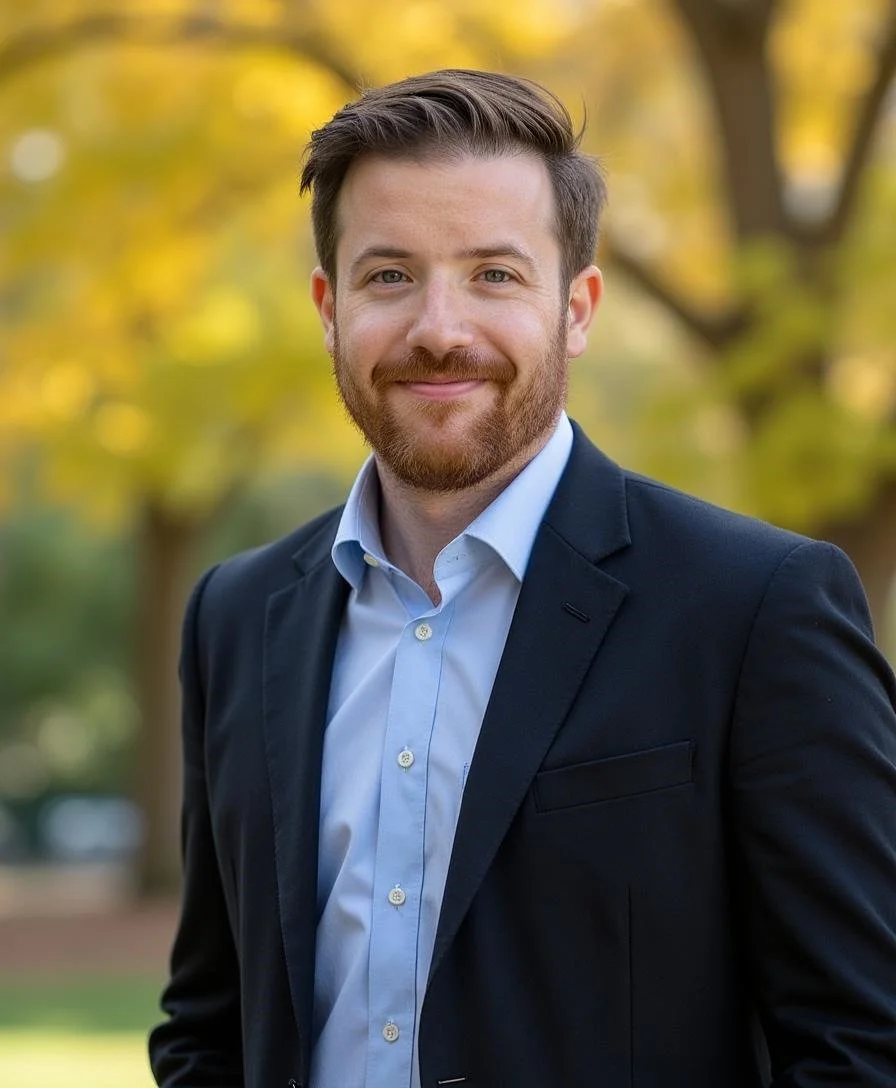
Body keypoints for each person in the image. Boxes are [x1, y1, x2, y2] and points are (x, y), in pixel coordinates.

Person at [149, 69, 896, 1088]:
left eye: (494, 275)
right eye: (388, 276)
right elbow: (208, 1022)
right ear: (328, 307)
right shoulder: (235, 617)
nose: (439, 328)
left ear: (575, 306)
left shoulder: (754, 608)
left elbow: (863, 1042)